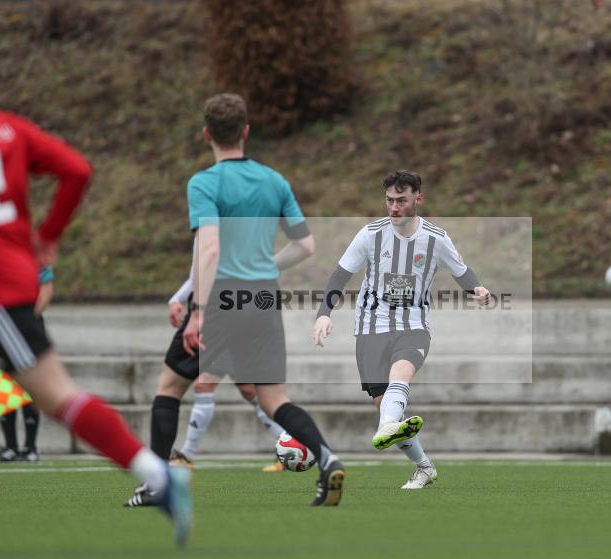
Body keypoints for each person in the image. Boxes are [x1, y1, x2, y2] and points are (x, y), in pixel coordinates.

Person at [0, 32, 192, 544]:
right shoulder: (5, 126)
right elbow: (77, 170)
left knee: (58, 397)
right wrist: (49, 237)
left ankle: (159, 475)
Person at [182, 92, 345, 507]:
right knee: (275, 397)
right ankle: (327, 459)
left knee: (181, 384)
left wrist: (195, 309)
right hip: (263, 296)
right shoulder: (275, 181)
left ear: (206, 135)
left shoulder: (204, 183)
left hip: (225, 294)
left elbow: (210, 250)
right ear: (246, 132)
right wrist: (267, 265)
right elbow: (306, 245)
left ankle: (174, 464)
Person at [312, 170, 490, 489]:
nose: (394, 208)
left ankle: (390, 426)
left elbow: (462, 272)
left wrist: (477, 289)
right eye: (389, 201)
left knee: (401, 374)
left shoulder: (436, 239)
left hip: (414, 326)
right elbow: (339, 276)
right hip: (370, 327)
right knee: (384, 405)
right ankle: (424, 467)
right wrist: (324, 313)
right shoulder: (370, 234)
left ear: (418, 199)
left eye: (401, 201)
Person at [124, 243, 291, 508]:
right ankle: (291, 442)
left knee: (199, 385)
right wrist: (178, 298)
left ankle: (186, 456)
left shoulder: (216, 220)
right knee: (249, 389)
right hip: (241, 312)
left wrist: (187, 304)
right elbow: (198, 272)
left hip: (222, 314)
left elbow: (206, 267)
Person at [0, 265, 53, 463]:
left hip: (26, 326)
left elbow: (46, 289)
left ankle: (30, 447)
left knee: (30, 384)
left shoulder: (32, 252)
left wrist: (27, 319)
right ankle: (10, 446)